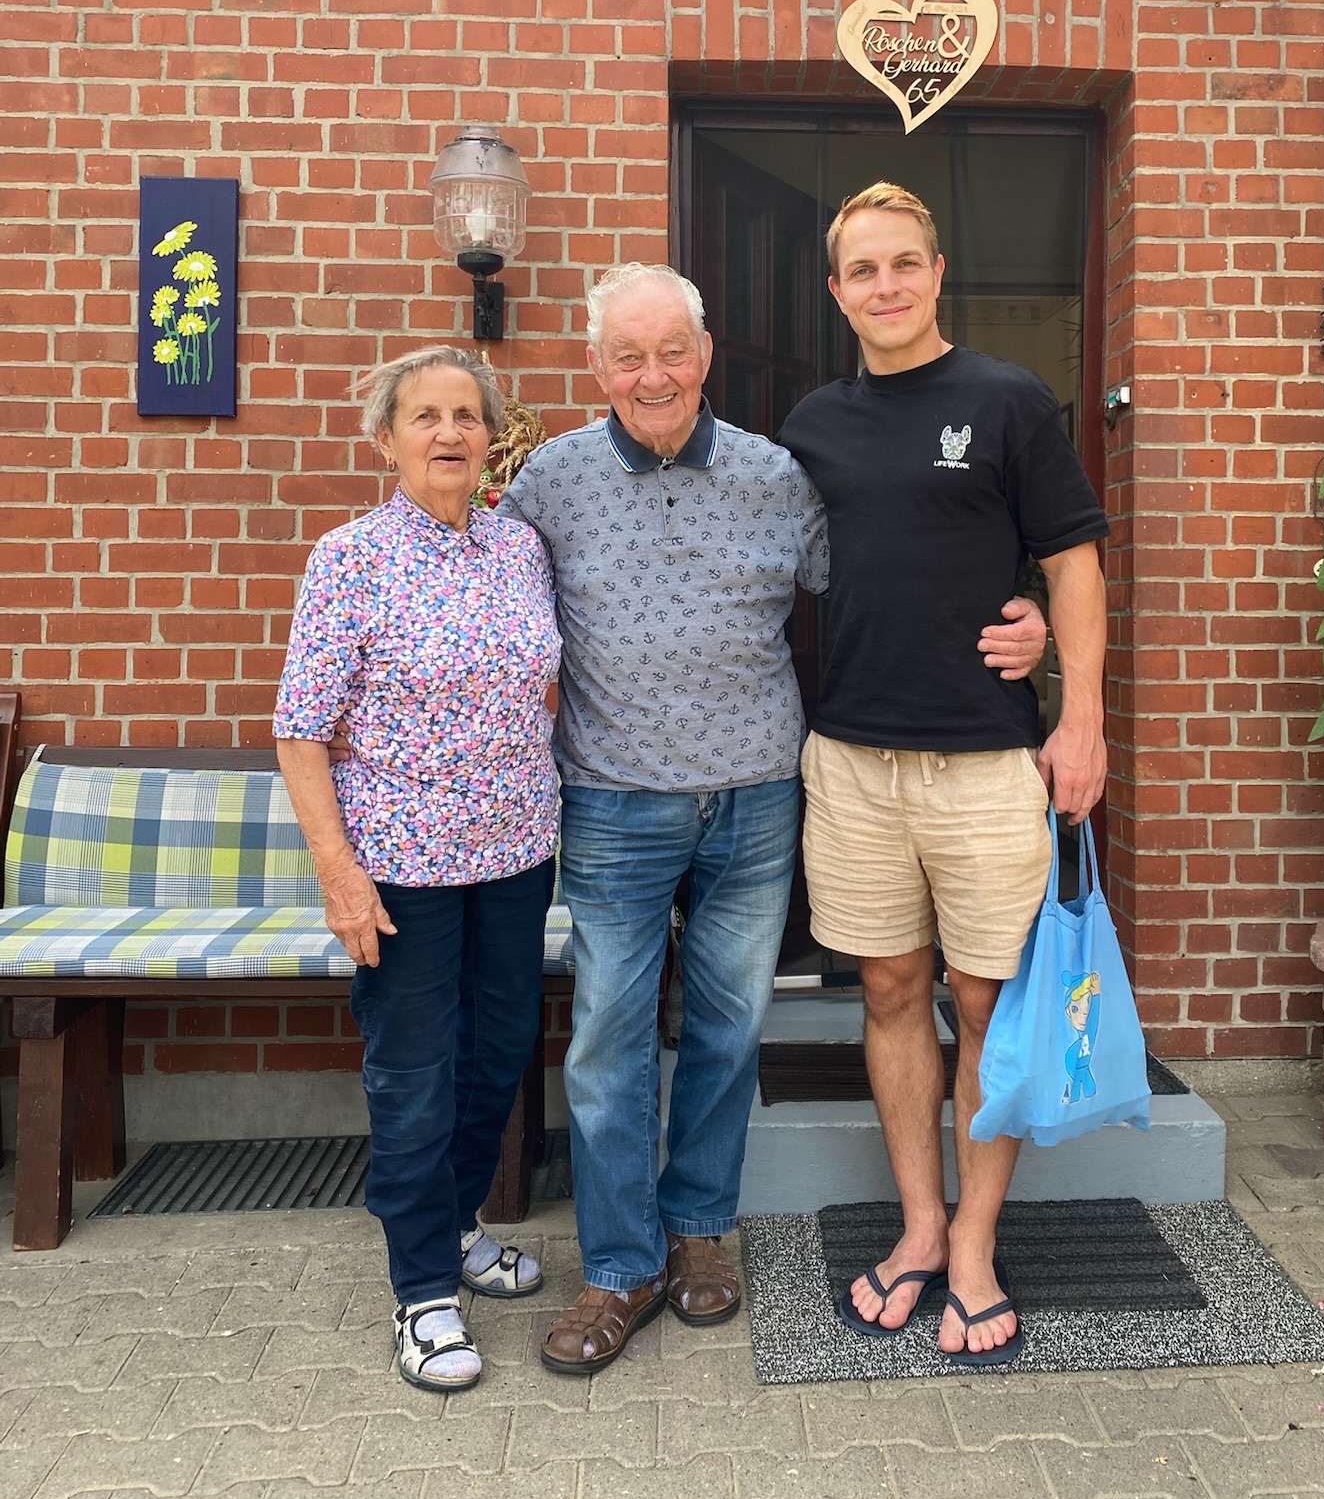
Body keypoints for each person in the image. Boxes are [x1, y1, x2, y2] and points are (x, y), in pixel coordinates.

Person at [502, 262, 1051, 1374]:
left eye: (673, 351)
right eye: (628, 356)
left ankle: (700, 1230)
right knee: (608, 1040)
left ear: (705, 355)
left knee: (726, 1028)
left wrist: (1028, 610)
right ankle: (620, 1264)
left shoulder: (776, 471)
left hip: (756, 797)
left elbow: (895, 573)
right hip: (611, 800)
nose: (653, 375)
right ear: (597, 366)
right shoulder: (551, 480)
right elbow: (484, 599)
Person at [779, 182, 1110, 1367]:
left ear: (936, 272)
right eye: (863, 269)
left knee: (986, 1003)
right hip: (853, 759)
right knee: (887, 989)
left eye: (904, 263)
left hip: (985, 758)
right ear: (837, 291)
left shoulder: (1006, 400)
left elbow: (1072, 561)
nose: (887, 285)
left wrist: (1079, 712)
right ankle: (920, 1223)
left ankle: (975, 1239)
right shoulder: (811, 423)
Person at [273, 345, 562, 1394]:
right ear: (386, 438)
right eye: (426, 416)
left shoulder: (520, 547)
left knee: (498, 1052)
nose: (449, 433)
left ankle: (456, 1221)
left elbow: (543, 685)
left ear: (490, 437)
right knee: (414, 1071)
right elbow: (301, 731)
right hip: (401, 865)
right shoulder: (350, 557)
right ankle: (424, 1289)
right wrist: (339, 873)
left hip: (515, 852)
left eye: (466, 416)